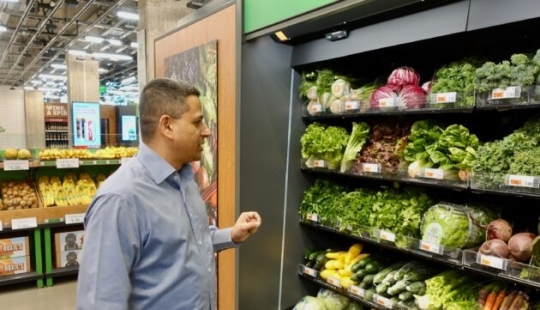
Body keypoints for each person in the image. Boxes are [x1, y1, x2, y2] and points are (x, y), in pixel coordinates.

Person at [76, 78, 262, 310]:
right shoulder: (120, 200)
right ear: (167, 126)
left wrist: (231, 235)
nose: (206, 132)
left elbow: (185, 244)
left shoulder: (185, 181)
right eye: (197, 123)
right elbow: (100, 302)